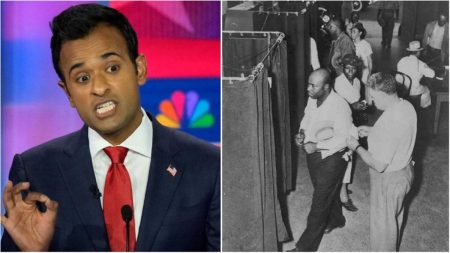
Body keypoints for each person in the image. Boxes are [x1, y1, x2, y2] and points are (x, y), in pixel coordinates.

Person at [0, 4, 220, 251]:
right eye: (83, 78)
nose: (100, 88)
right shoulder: (36, 172)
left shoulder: (209, 166)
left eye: (112, 68)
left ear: (139, 69)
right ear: (69, 93)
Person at [346, 72, 416, 251]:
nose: (371, 102)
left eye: (374, 97)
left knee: (382, 230)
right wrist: (372, 131)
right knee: (393, 220)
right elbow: (396, 135)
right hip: (404, 170)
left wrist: (356, 146)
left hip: (388, 180)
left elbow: (378, 164)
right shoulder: (405, 106)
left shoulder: (391, 122)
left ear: (385, 94)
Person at [290, 69, 353, 251]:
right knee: (324, 191)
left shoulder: (340, 106)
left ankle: (304, 247)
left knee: (319, 201)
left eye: (313, 85)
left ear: (326, 87)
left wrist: (316, 146)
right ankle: (337, 219)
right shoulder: (313, 97)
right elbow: (307, 117)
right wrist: (302, 133)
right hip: (313, 153)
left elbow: (344, 139)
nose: (308, 89)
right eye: (308, 84)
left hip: (334, 156)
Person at [334, 53, 367, 212]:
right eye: (347, 68)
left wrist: (362, 106)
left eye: (353, 68)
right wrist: (355, 106)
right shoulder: (338, 82)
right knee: (345, 155)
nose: (350, 71)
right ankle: (343, 195)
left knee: (349, 155)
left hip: (351, 122)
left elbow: (356, 101)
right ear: (342, 67)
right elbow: (341, 105)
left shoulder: (357, 82)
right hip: (339, 123)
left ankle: (343, 185)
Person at [397, 41, 435, 109]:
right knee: (426, 89)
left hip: (400, 89)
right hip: (413, 91)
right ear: (418, 52)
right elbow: (432, 74)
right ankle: (424, 108)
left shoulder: (402, 60)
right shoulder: (421, 64)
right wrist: (427, 67)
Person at [351, 22, 374, 105]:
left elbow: (370, 60)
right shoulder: (351, 43)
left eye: (354, 32)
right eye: (351, 31)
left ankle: (366, 105)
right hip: (355, 69)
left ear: (360, 33)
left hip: (364, 71)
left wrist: (370, 74)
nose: (352, 33)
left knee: (365, 89)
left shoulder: (366, 44)